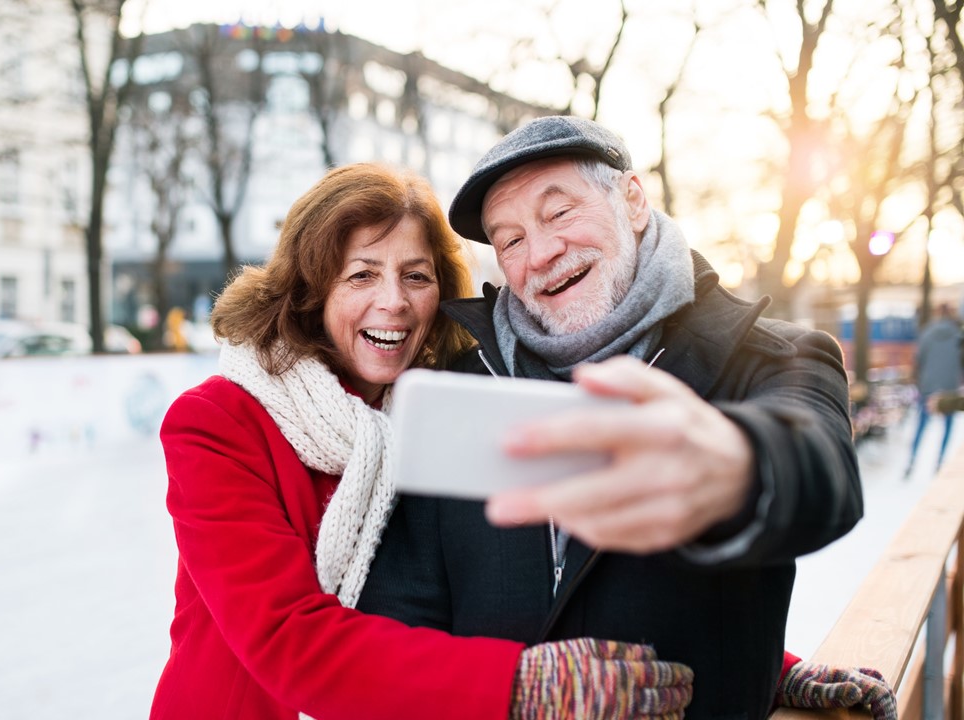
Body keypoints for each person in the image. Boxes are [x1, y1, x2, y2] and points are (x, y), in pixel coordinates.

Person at [355, 116, 874, 719]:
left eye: (559, 213)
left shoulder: (770, 355)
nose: (542, 253)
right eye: (511, 239)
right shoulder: (461, 391)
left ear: (632, 200)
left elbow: (821, 474)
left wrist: (734, 466)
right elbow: (398, 619)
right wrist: (510, 688)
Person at [150, 162, 694, 720]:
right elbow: (287, 636)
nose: (394, 302)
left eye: (416, 275)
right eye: (361, 275)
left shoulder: (446, 411)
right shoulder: (216, 423)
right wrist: (519, 687)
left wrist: (768, 666)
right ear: (311, 289)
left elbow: (558, 560)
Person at [904, 302, 963, 478]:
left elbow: (918, 360)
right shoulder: (958, 335)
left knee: (921, 426)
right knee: (947, 428)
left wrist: (919, 381)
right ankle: (939, 462)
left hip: (928, 386)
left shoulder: (927, 333)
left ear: (937, 313)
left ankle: (911, 461)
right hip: (950, 387)